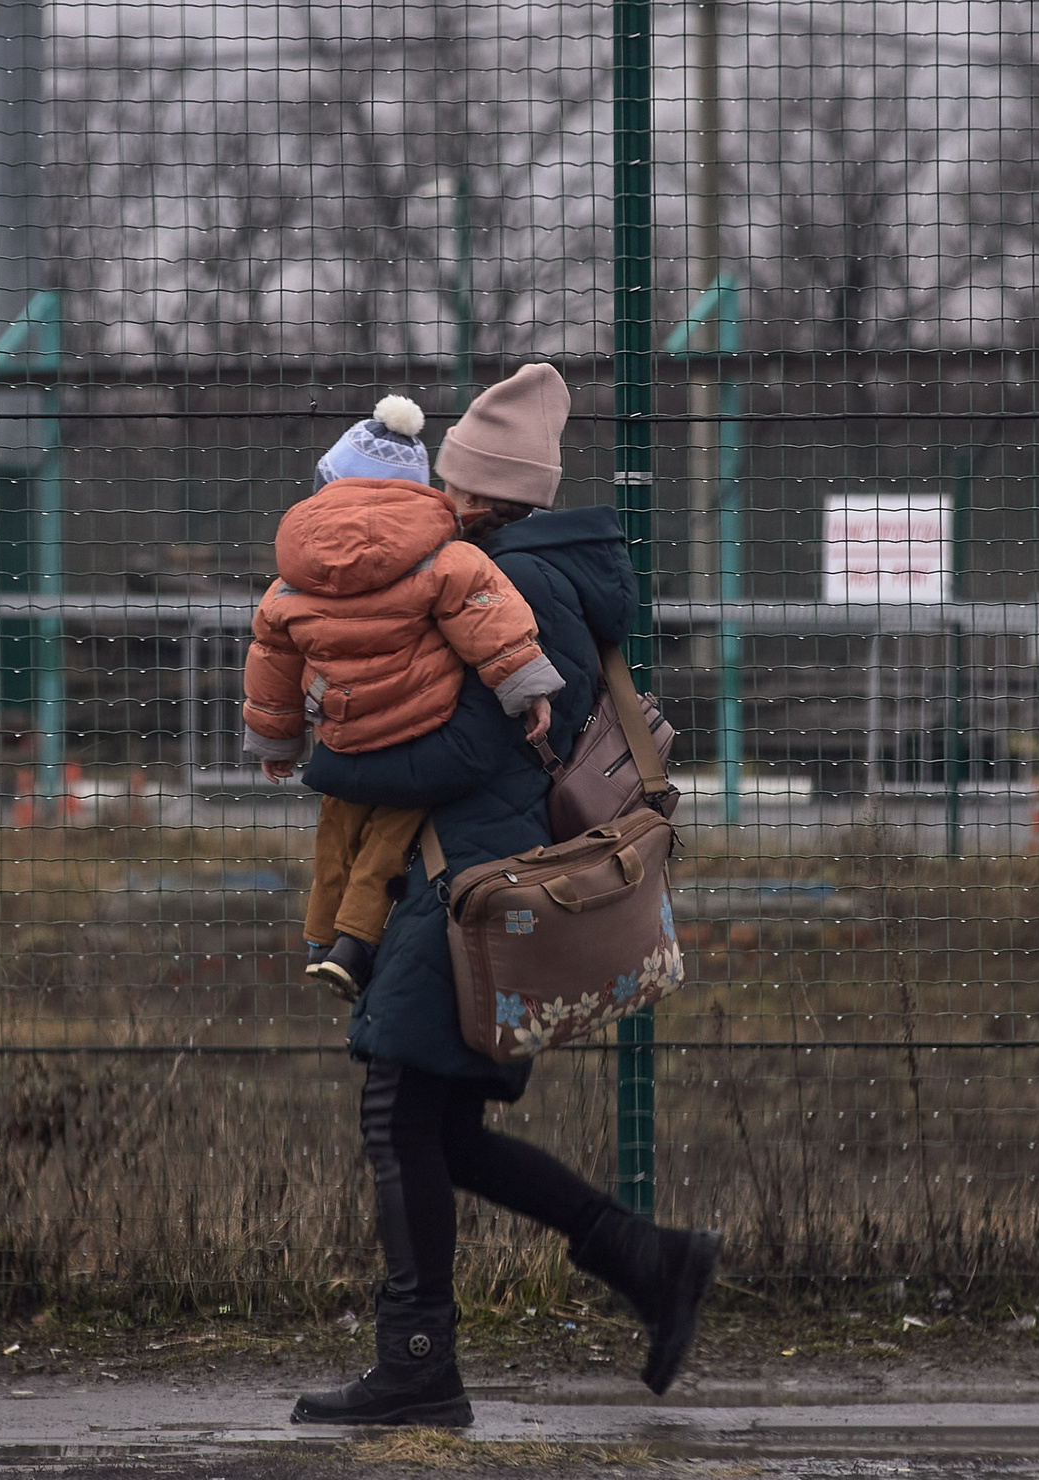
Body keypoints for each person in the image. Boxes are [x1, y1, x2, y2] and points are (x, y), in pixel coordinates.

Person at [287, 362, 721, 1429]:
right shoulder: (545, 570)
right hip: (473, 876)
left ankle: (419, 1366)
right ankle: (648, 1261)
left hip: (468, 885)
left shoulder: (507, 585)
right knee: (445, 1133)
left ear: (474, 492)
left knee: (399, 1118)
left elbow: (464, 752)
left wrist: (325, 755)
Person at [240, 394, 561, 1002]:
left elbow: (272, 655)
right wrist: (528, 690)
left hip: (341, 730)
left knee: (337, 825)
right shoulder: (447, 557)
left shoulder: (291, 577)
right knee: (388, 837)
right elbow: (488, 620)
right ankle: (354, 946)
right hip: (418, 724)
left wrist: (276, 740)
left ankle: (316, 937)